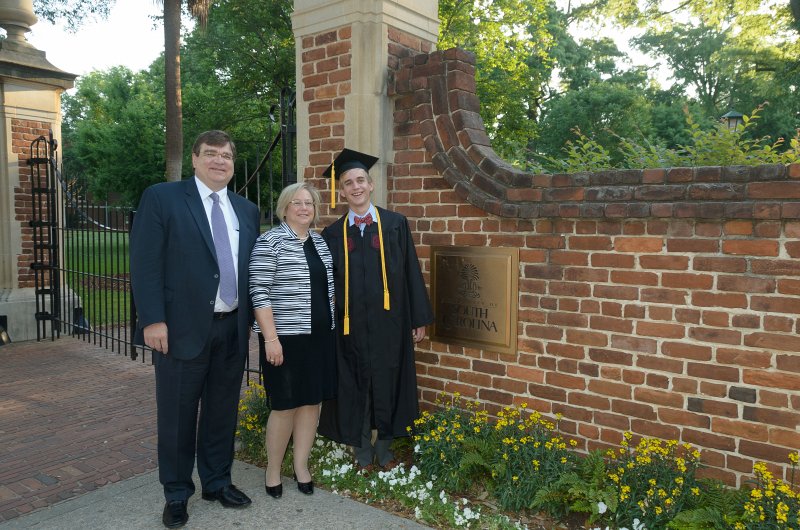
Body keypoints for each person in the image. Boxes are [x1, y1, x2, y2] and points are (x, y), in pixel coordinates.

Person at [130, 130, 260, 529]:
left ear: (233, 164)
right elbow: (145, 262)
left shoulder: (246, 210)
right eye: (211, 154)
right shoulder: (163, 198)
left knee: (222, 413)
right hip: (180, 330)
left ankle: (217, 482)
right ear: (195, 159)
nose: (219, 161)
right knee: (177, 417)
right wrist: (153, 319)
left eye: (226, 156)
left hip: (232, 328)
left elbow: (250, 268)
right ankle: (176, 493)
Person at [318, 148, 433, 471]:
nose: (355, 187)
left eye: (360, 180)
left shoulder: (395, 224)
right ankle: (361, 452)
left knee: (389, 380)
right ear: (341, 191)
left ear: (371, 185)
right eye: (347, 183)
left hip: (390, 323)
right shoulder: (332, 234)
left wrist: (419, 318)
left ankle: (384, 449)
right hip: (349, 326)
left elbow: (411, 270)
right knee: (353, 384)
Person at [249, 182, 336, 499]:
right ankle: (273, 471)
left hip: (319, 337)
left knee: (312, 403)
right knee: (285, 405)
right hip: (284, 339)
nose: (304, 208)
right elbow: (258, 292)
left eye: (309, 203)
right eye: (297, 203)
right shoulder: (269, 242)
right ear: (284, 207)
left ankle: (301, 466)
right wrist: (270, 339)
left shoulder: (319, 241)